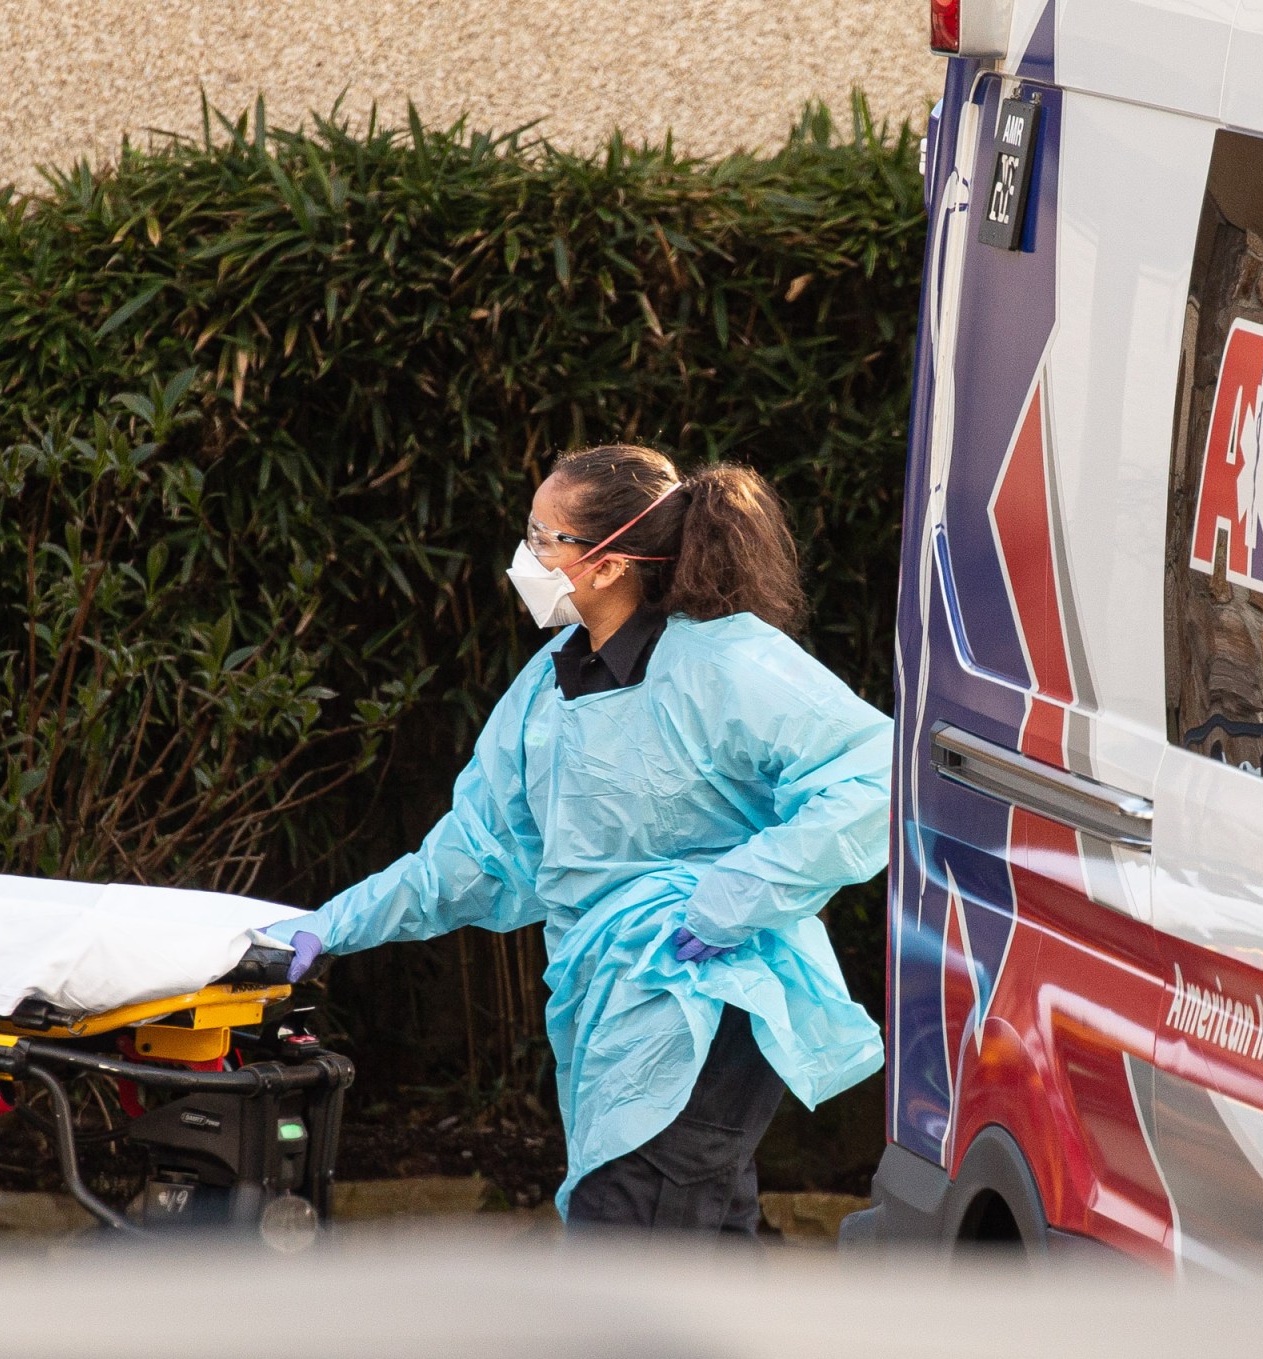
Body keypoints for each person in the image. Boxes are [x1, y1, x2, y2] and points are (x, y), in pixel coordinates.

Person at [272, 445, 888, 1234]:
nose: (525, 557)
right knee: (691, 1249)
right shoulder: (549, 686)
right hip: (610, 1001)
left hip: (705, 1002)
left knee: (629, 1251)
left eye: (544, 538)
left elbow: (872, 774)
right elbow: (474, 854)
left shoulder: (724, 663)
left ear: (607, 565)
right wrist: (331, 926)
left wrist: (729, 901)